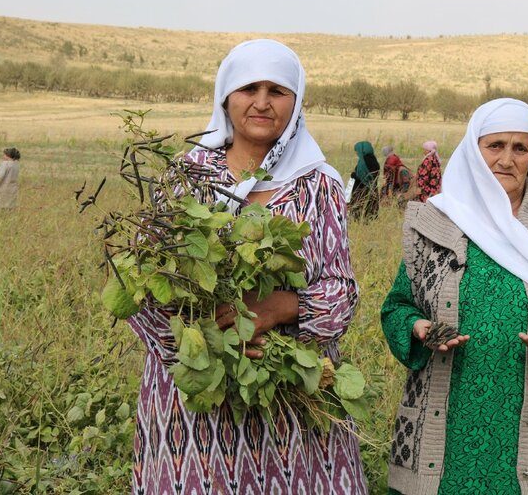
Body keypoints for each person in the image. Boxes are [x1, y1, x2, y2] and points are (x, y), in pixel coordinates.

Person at [127, 39, 368, 494]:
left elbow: (342, 291)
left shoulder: (320, 185)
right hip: (197, 393)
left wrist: (280, 308)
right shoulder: (185, 177)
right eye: (248, 88)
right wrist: (211, 346)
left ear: (296, 103)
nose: (261, 102)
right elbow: (143, 282)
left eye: (277, 91)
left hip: (291, 390)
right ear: (225, 97)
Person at [381, 99, 528, 495]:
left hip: (524, 430)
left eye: (521, 148)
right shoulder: (434, 222)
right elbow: (398, 305)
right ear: (473, 149)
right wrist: (420, 328)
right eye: (495, 145)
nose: (507, 159)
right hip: (440, 428)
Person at [349, 140, 380, 219]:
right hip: (372, 188)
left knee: (357, 210)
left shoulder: (364, 161)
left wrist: (353, 175)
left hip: (361, 188)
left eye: (357, 151)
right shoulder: (374, 159)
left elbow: (362, 176)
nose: (356, 153)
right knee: (370, 211)